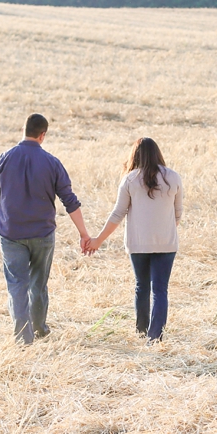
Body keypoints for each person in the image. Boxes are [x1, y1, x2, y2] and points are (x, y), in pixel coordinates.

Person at [0, 113, 91, 344]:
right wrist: (84, 234)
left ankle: (23, 339)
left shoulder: (3, 159)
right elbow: (70, 201)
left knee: (16, 284)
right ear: (42, 135)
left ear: (23, 130)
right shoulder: (52, 162)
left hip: (11, 233)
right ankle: (40, 330)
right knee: (38, 284)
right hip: (43, 234)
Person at [86, 137, 182, 344]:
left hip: (138, 244)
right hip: (166, 243)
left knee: (142, 286)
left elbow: (117, 214)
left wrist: (98, 240)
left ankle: (140, 330)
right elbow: (178, 214)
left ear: (135, 156)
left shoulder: (130, 180)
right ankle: (155, 337)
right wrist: (163, 230)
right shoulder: (173, 177)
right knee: (160, 290)